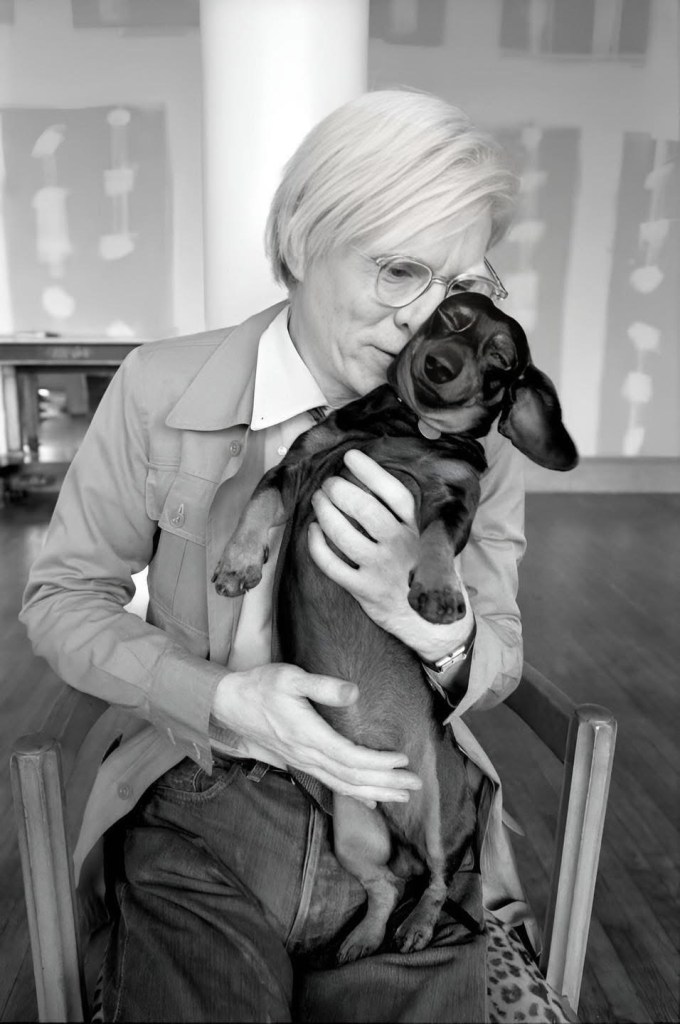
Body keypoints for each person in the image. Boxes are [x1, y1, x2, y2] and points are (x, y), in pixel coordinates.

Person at [20, 90, 571, 1023]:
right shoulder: (159, 387)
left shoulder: (476, 436)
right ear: (305, 240)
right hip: (206, 804)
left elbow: (502, 645)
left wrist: (432, 628)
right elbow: (64, 599)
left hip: (406, 808)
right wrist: (219, 697)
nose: (429, 324)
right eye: (399, 271)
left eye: (461, 284)